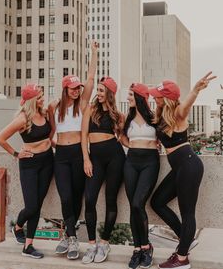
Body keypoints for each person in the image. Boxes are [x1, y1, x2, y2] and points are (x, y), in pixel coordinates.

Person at [149, 72, 216, 269]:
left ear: (166, 98)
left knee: (188, 213)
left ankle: (181, 259)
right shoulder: (161, 114)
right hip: (180, 167)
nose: (154, 97)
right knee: (157, 202)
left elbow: (186, 105)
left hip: (189, 165)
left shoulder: (178, 112)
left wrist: (195, 90)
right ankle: (185, 241)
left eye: (157, 95)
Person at [48, 41, 98, 260]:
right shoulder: (54, 107)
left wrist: (94, 52)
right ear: (65, 88)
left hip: (78, 155)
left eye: (78, 88)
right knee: (65, 196)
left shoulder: (83, 103)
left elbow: (91, 78)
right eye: (73, 88)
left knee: (77, 197)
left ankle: (70, 235)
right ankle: (71, 236)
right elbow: (50, 131)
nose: (77, 91)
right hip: (60, 156)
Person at [0, 84, 53, 259]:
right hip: (30, 163)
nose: (43, 99)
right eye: (40, 96)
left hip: (48, 161)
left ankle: (28, 246)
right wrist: (16, 153)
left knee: (38, 205)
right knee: (32, 206)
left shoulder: (43, 113)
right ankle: (18, 226)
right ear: (32, 99)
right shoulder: (23, 118)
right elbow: (0, 138)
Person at [81, 76, 125, 264]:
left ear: (109, 93)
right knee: (89, 199)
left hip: (116, 158)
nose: (98, 94)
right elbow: (84, 136)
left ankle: (104, 242)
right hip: (95, 159)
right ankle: (91, 244)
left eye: (101, 90)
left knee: (111, 200)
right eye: (97, 90)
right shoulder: (90, 110)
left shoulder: (118, 115)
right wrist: (86, 159)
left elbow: (123, 138)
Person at [121, 83, 160, 269]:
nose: (128, 98)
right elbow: (121, 137)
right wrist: (134, 147)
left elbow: (164, 137)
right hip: (131, 162)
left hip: (150, 163)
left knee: (138, 203)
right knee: (132, 206)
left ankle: (146, 246)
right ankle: (137, 249)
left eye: (130, 95)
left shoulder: (154, 118)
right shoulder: (127, 119)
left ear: (139, 97)